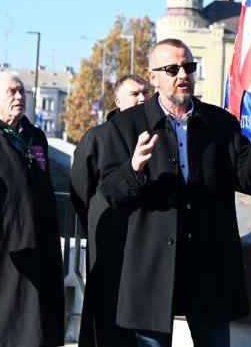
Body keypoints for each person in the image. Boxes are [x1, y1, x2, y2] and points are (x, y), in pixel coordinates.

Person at [97, 38, 251, 347]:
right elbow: (110, 193)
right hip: (153, 267)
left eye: (188, 67)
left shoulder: (221, 123)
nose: (182, 75)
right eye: (172, 69)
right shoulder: (126, 126)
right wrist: (133, 170)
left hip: (209, 265)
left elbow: (247, 181)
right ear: (154, 77)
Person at [0, 71, 65, 347]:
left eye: (22, 92)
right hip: (5, 244)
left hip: (41, 239)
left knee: (41, 315)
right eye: (12, 92)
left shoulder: (34, 135)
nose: (19, 97)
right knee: (10, 318)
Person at [71, 74, 151, 347]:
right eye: (134, 93)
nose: (142, 98)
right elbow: (80, 189)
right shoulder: (98, 137)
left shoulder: (159, 133)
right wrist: (96, 222)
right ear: (117, 101)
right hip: (108, 238)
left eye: (145, 92)